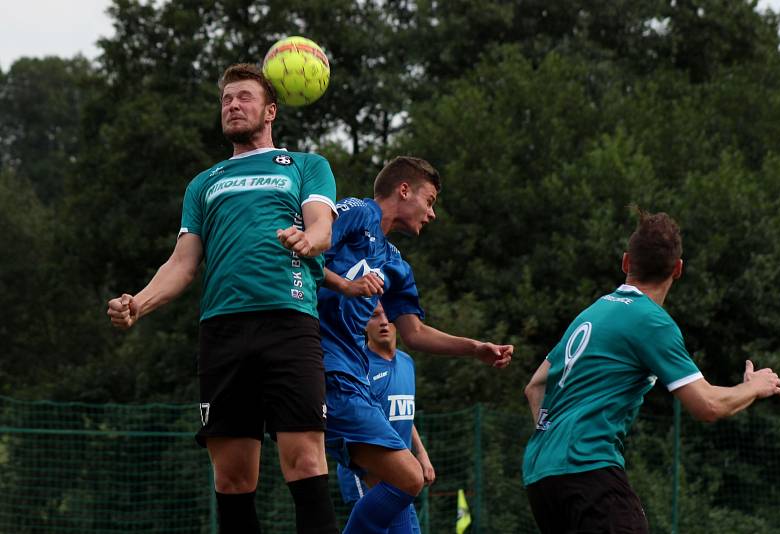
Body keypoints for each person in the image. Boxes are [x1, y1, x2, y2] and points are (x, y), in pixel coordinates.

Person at [106, 63, 339, 534]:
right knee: (232, 480)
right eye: (227, 99)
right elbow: (182, 262)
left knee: (306, 461)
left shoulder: (305, 165)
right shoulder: (204, 183)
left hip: (288, 323)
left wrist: (308, 240)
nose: (233, 105)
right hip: (223, 331)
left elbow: (321, 224)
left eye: (244, 97)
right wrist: (139, 303)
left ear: (270, 110)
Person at [521, 208, 780, 534]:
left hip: (541, 476)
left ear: (625, 262)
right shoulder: (650, 320)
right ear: (678, 269)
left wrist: (557, 440)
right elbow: (708, 406)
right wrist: (755, 386)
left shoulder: (594, 311)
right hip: (588, 471)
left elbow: (535, 386)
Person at [317, 155, 514, 533]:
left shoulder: (394, 263)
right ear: (404, 190)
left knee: (404, 492)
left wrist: (476, 348)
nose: (432, 213)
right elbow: (305, 254)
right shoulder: (358, 212)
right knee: (408, 478)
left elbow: (416, 333)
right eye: (430, 200)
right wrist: (345, 285)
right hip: (327, 368)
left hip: (349, 377)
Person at [336, 302, 435, 533]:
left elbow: (403, 414)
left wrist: (421, 454)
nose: (383, 322)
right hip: (367, 471)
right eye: (373, 316)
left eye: (389, 316)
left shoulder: (407, 363)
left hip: (400, 471)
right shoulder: (357, 365)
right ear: (363, 324)